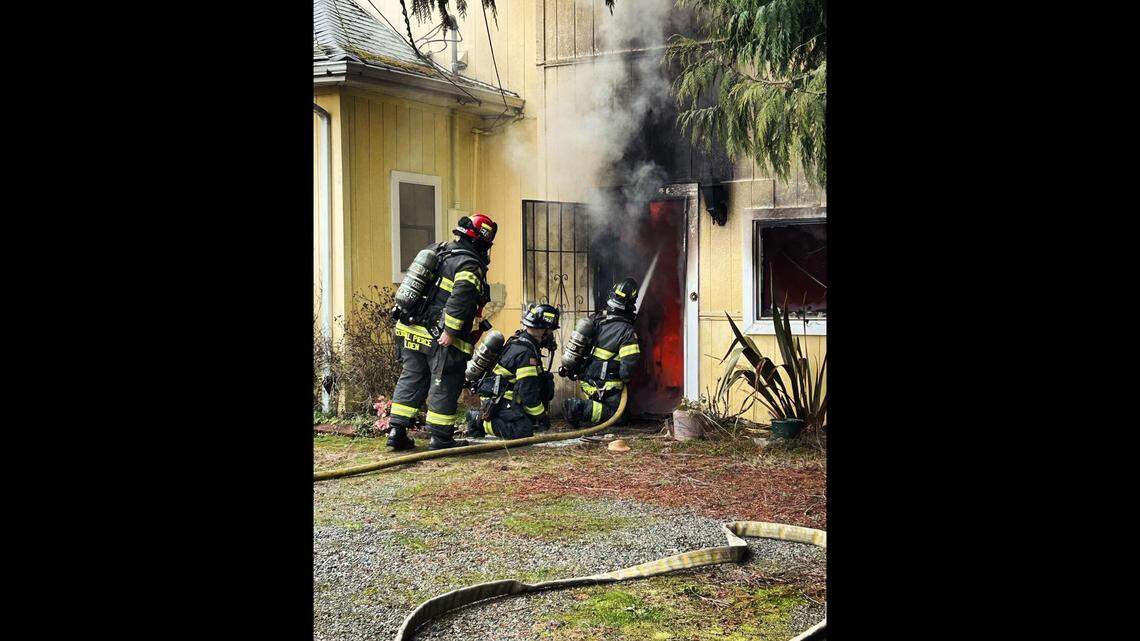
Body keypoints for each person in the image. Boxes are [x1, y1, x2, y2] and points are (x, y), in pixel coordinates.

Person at [387, 213, 497, 450]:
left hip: (410, 328)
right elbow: (461, 301)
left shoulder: (438, 250)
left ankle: (396, 431)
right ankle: (441, 437)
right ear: (481, 242)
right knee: (445, 381)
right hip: (440, 335)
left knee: (411, 377)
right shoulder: (469, 265)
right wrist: (450, 331)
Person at [464, 304, 559, 440]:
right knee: (523, 429)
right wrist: (541, 416)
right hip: (499, 400)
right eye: (550, 330)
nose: (551, 335)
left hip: (504, 397)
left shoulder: (522, 342)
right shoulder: (526, 353)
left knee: (546, 380)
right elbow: (527, 392)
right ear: (541, 330)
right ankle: (478, 421)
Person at [561, 278, 642, 426]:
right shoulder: (626, 331)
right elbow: (627, 370)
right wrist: (627, 380)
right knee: (620, 417)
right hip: (607, 388)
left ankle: (589, 408)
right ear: (631, 304)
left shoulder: (597, 319)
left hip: (587, 383)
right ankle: (579, 408)